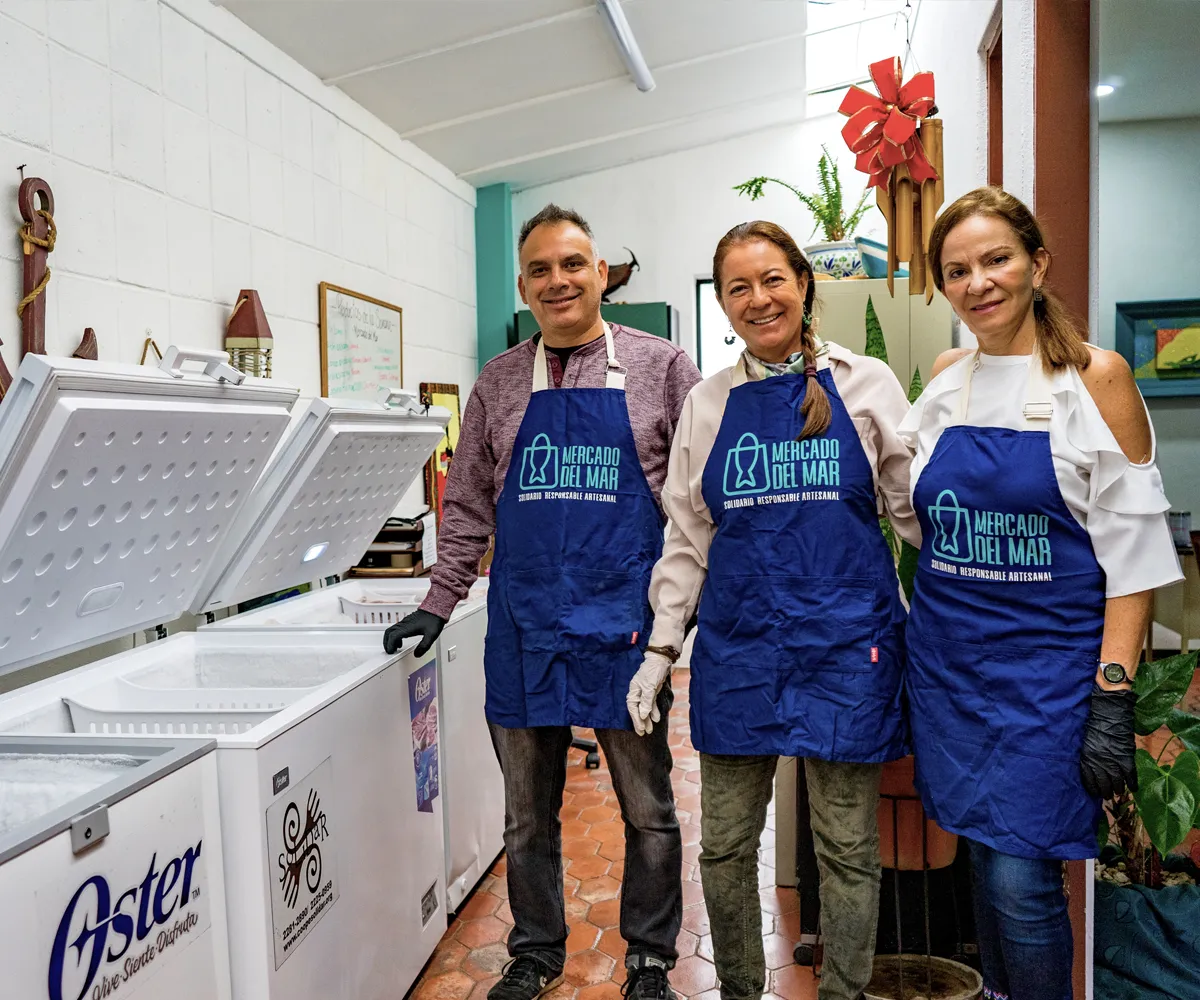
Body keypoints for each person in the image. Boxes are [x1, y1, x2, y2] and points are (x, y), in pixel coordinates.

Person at [383, 205, 701, 1000]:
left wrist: (693, 609)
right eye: (539, 270)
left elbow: (696, 501)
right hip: (524, 628)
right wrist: (439, 597)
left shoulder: (663, 368)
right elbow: (466, 507)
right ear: (523, 285)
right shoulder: (496, 382)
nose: (557, 280)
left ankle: (652, 957)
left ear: (601, 274)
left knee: (649, 808)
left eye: (573, 264)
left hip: (626, 631)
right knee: (527, 817)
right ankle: (536, 950)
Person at [899, 187, 1183, 1000]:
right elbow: (920, 516)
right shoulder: (949, 376)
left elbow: (1133, 556)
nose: (978, 282)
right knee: (985, 861)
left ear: (1037, 264)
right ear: (942, 285)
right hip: (952, 671)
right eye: (958, 270)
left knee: (1023, 877)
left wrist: (1113, 697)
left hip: (1050, 680)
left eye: (997, 260)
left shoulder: (1097, 378)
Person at [627, 220, 919, 1000]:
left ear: (803, 283)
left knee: (848, 849)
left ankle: (843, 993)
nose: (758, 299)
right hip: (742, 650)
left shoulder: (869, 384)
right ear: (722, 304)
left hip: (848, 650)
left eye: (772, 280)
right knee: (723, 847)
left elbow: (915, 514)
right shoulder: (708, 403)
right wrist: (660, 650)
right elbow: (687, 540)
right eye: (738, 287)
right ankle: (740, 991)